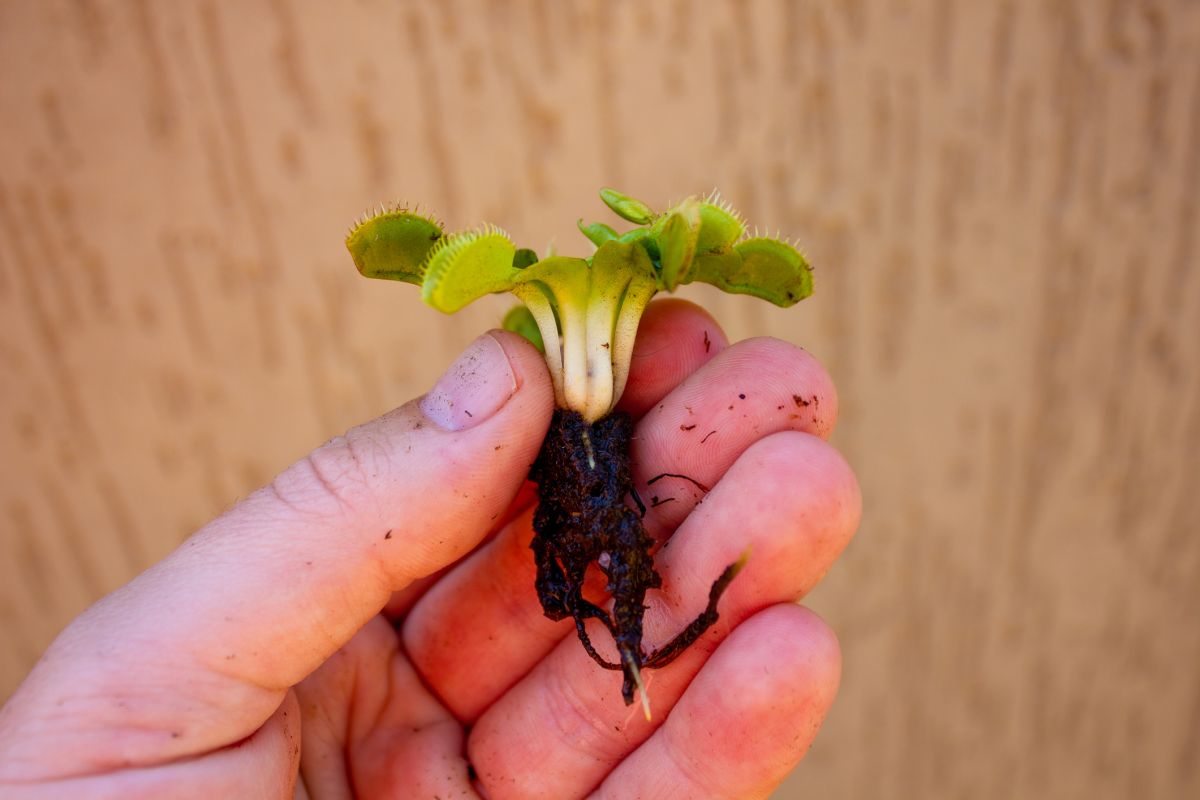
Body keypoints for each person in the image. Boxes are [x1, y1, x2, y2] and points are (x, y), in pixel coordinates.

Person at [0, 300, 860, 799]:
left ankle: (640, 641)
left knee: (658, 610)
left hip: (590, 462)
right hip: (578, 470)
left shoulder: (605, 450)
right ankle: (637, 639)